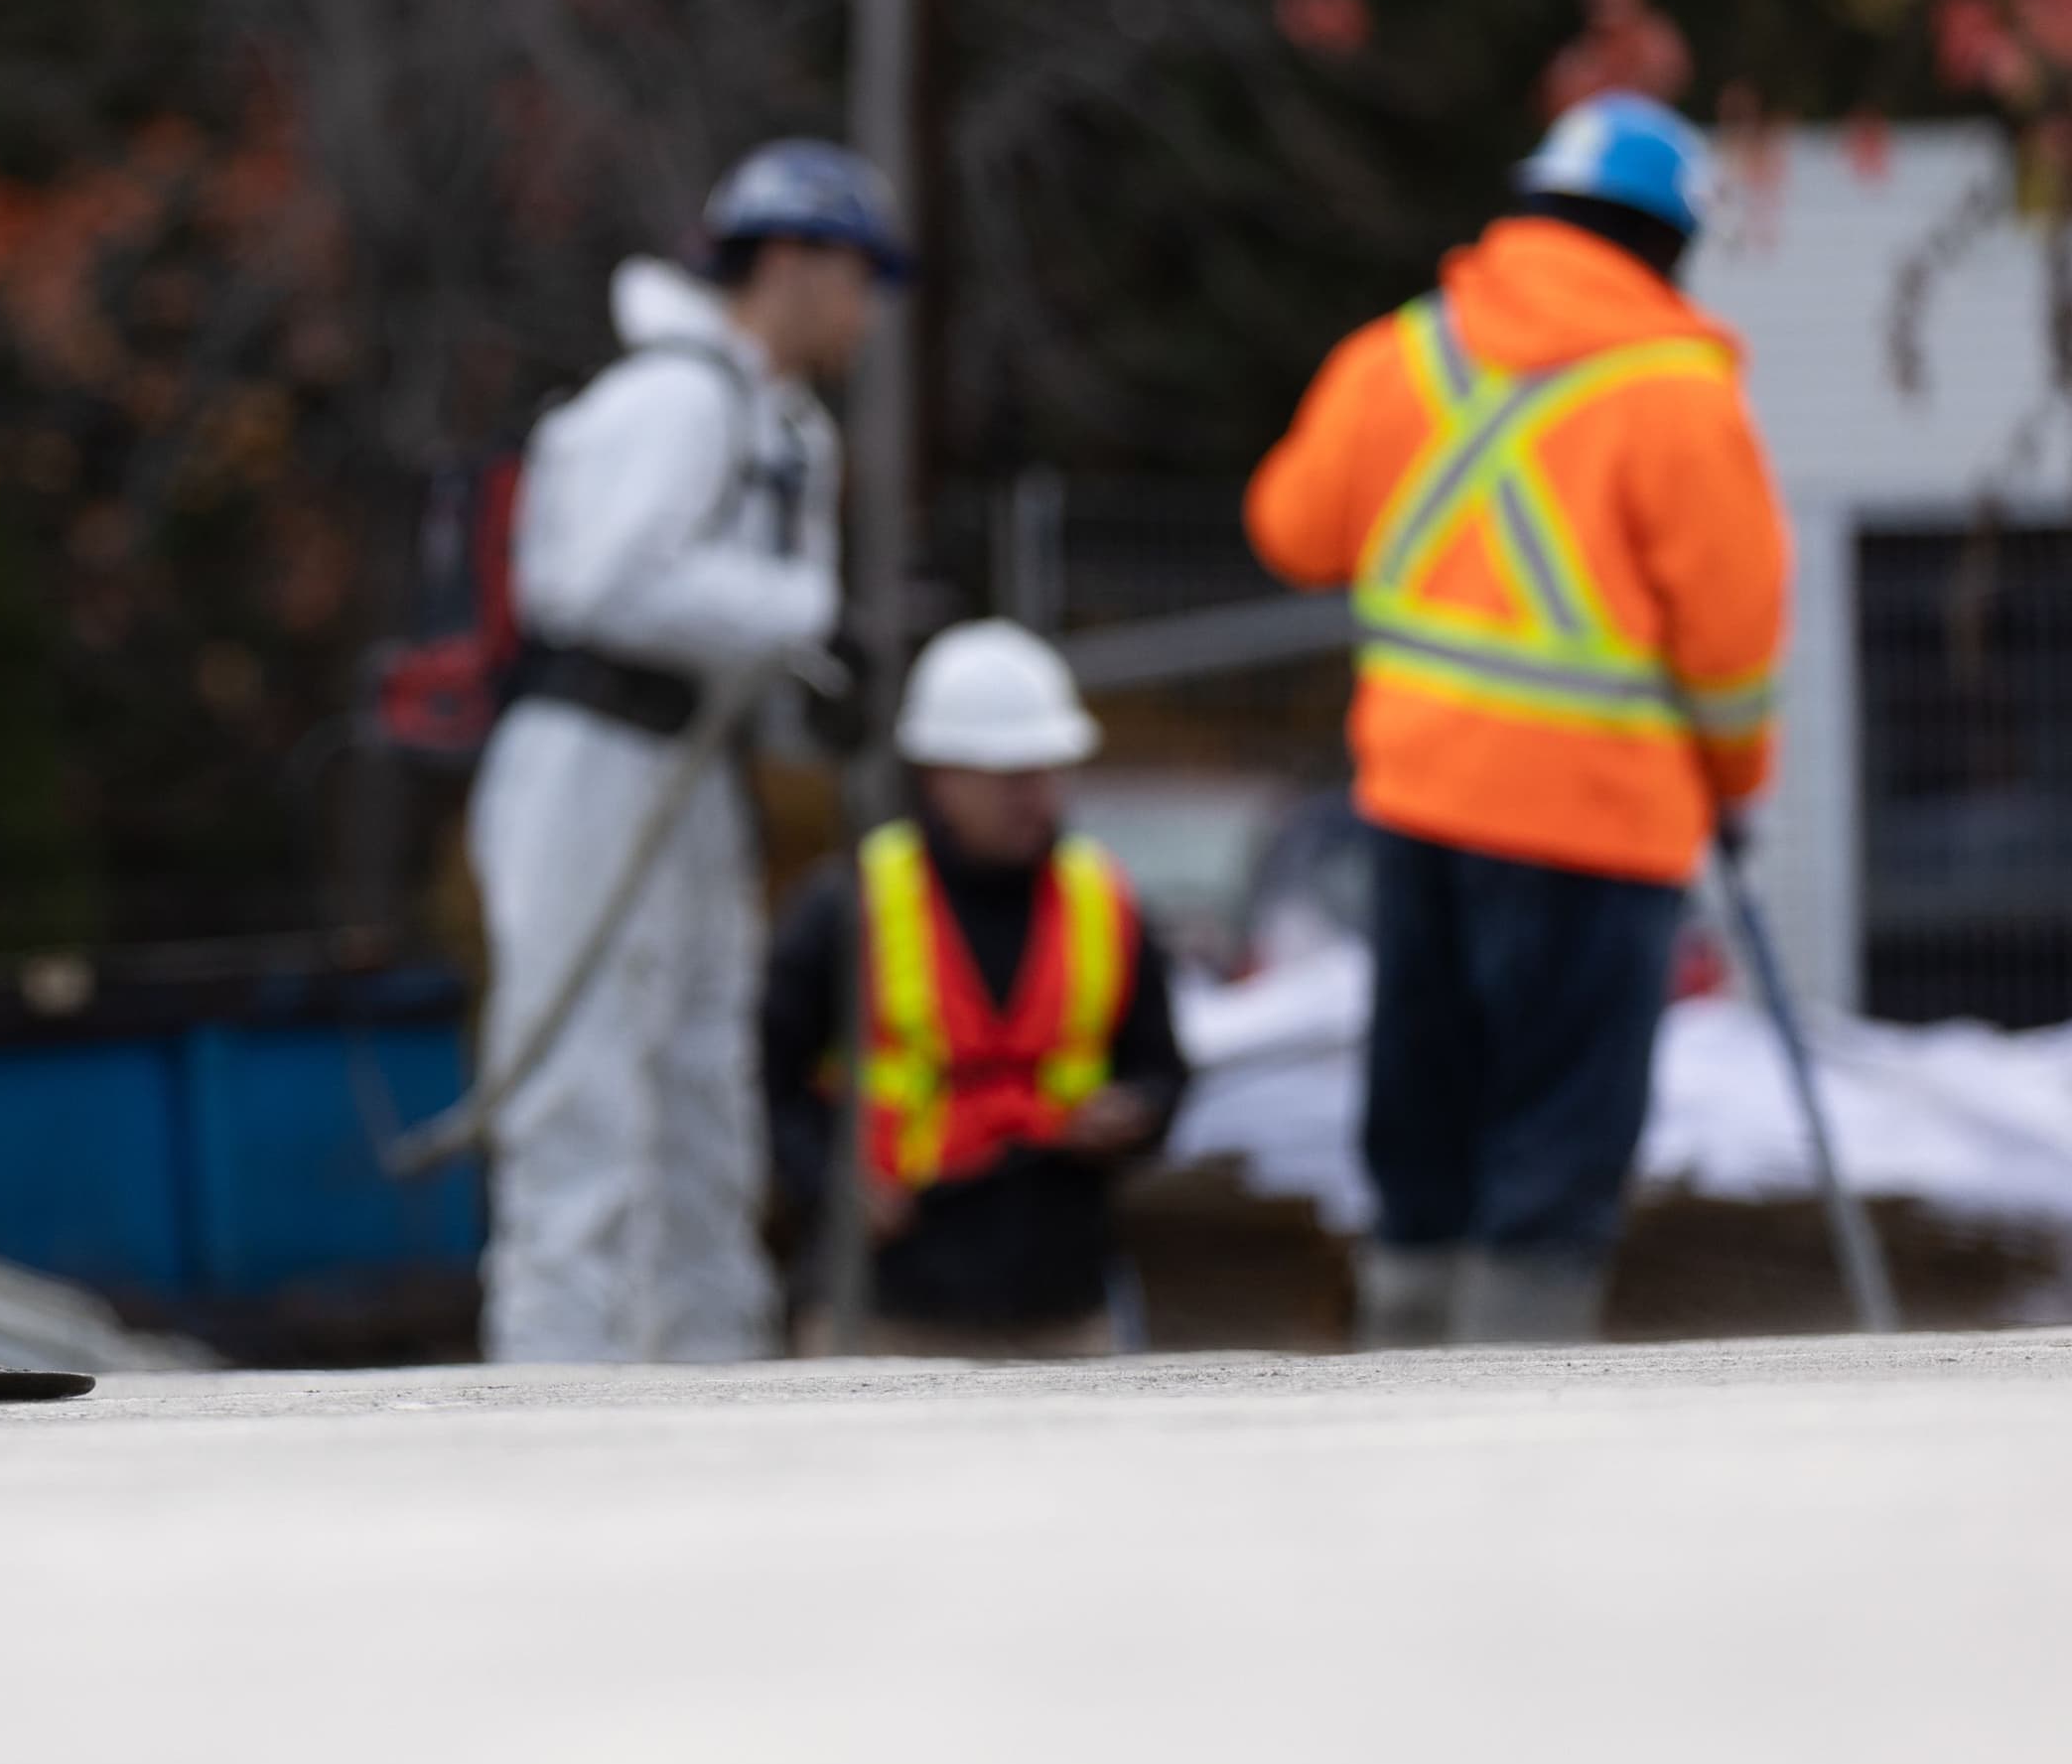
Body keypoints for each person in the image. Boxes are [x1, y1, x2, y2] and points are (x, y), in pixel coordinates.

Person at [1246, 90, 1785, 1347]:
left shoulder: (1402, 359)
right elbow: (1731, 649)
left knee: (1424, 1131)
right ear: (1670, 241)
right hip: (1601, 832)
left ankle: (1403, 1393)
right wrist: (1735, 783)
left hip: (1421, 810)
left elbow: (1290, 529)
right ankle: (1520, 1435)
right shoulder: (1680, 397)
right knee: (1553, 1156)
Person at [466, 139, 881, 1361]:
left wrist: (824, 676)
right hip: (590, 764)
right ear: (793, 261)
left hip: (689, 776)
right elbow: (609, 578)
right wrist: (809, 623)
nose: (868, 309)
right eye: (859, 273)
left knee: (705, 1098)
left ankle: (710, 1392)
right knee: (583, 1101)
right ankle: (555, 1407)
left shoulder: (780, 425)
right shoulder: (680, 399)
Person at [760, 621, 1184, 1358]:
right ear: (940, 776)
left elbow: (1162, 1068)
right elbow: (769, 1079)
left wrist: (1136, 1112)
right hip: (889, 1309)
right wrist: (831, 1183)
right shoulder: (849, 907)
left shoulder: (1103, 903)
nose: (1038, 796)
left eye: (1050, 770)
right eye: (1011, 775)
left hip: (1061, 1308)